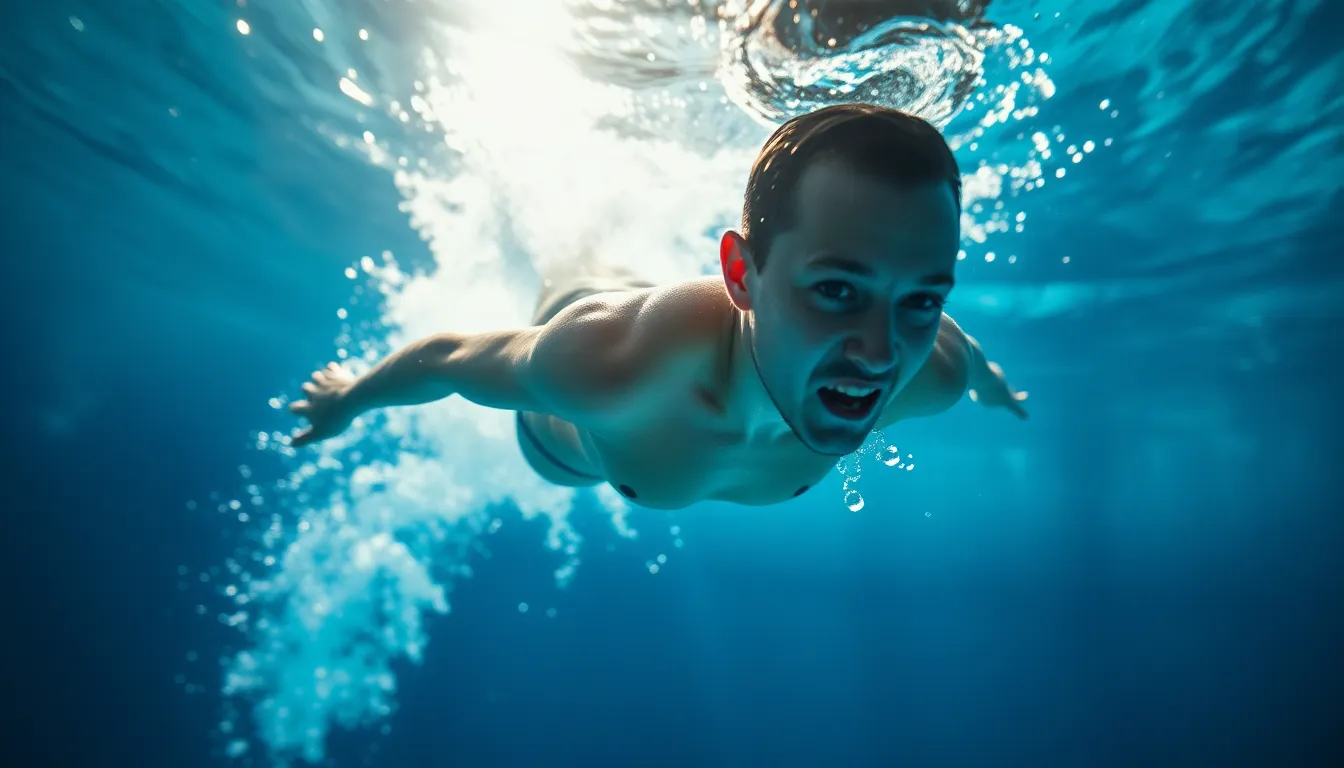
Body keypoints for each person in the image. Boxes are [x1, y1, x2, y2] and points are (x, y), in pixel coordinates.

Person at [288, 103, 1027, 510]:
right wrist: (346, 400)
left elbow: (968, 359)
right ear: (741, 273)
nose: (880, 351)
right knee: (577, 279)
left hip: (699, 327)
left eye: (921, 299)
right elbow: (449, 360)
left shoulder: (931, 370)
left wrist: (997, 393)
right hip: (571, 429)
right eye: (838, 290)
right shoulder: (607, 367)